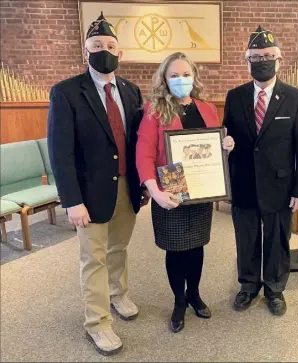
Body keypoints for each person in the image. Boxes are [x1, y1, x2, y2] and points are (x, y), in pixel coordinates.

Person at [47, 12, 149, 356]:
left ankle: (117, 294)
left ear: (119, 53)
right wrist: (71, 200)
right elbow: (60, 152)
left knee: (119, 248)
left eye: (109, 46)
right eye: (96, 46)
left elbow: (140, 141)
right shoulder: (65, 92)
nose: (103, 50)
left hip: (126, 186)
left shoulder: (132, 90)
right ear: (84, 51)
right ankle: (98, 322)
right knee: (94, 258)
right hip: (88, 193)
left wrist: (145, 182)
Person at [136, 52, 234, 333]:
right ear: (164, 79)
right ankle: (179, 300)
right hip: (172, 186)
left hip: (202, 186)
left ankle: (194, 294)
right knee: (176, 249)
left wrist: (226, 143)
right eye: (175, 75)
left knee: (197, 245)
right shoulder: (154, 111)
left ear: (194, 76)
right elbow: (143, 155)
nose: (182, 80)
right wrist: (154, 191)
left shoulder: (206, 108)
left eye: (186, 74)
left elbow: (213, 145)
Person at [223, 26, 298, 316]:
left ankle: (274, 289)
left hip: (280, 186)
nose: (262, 60)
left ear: (279, 59)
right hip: (244, 183)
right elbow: (228, 139)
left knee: (277, 240)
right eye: (255, 56)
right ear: (246, 60)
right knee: (246, 238)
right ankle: (248, 286)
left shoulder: (296, 98)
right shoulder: (234, 96)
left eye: (267, 55)